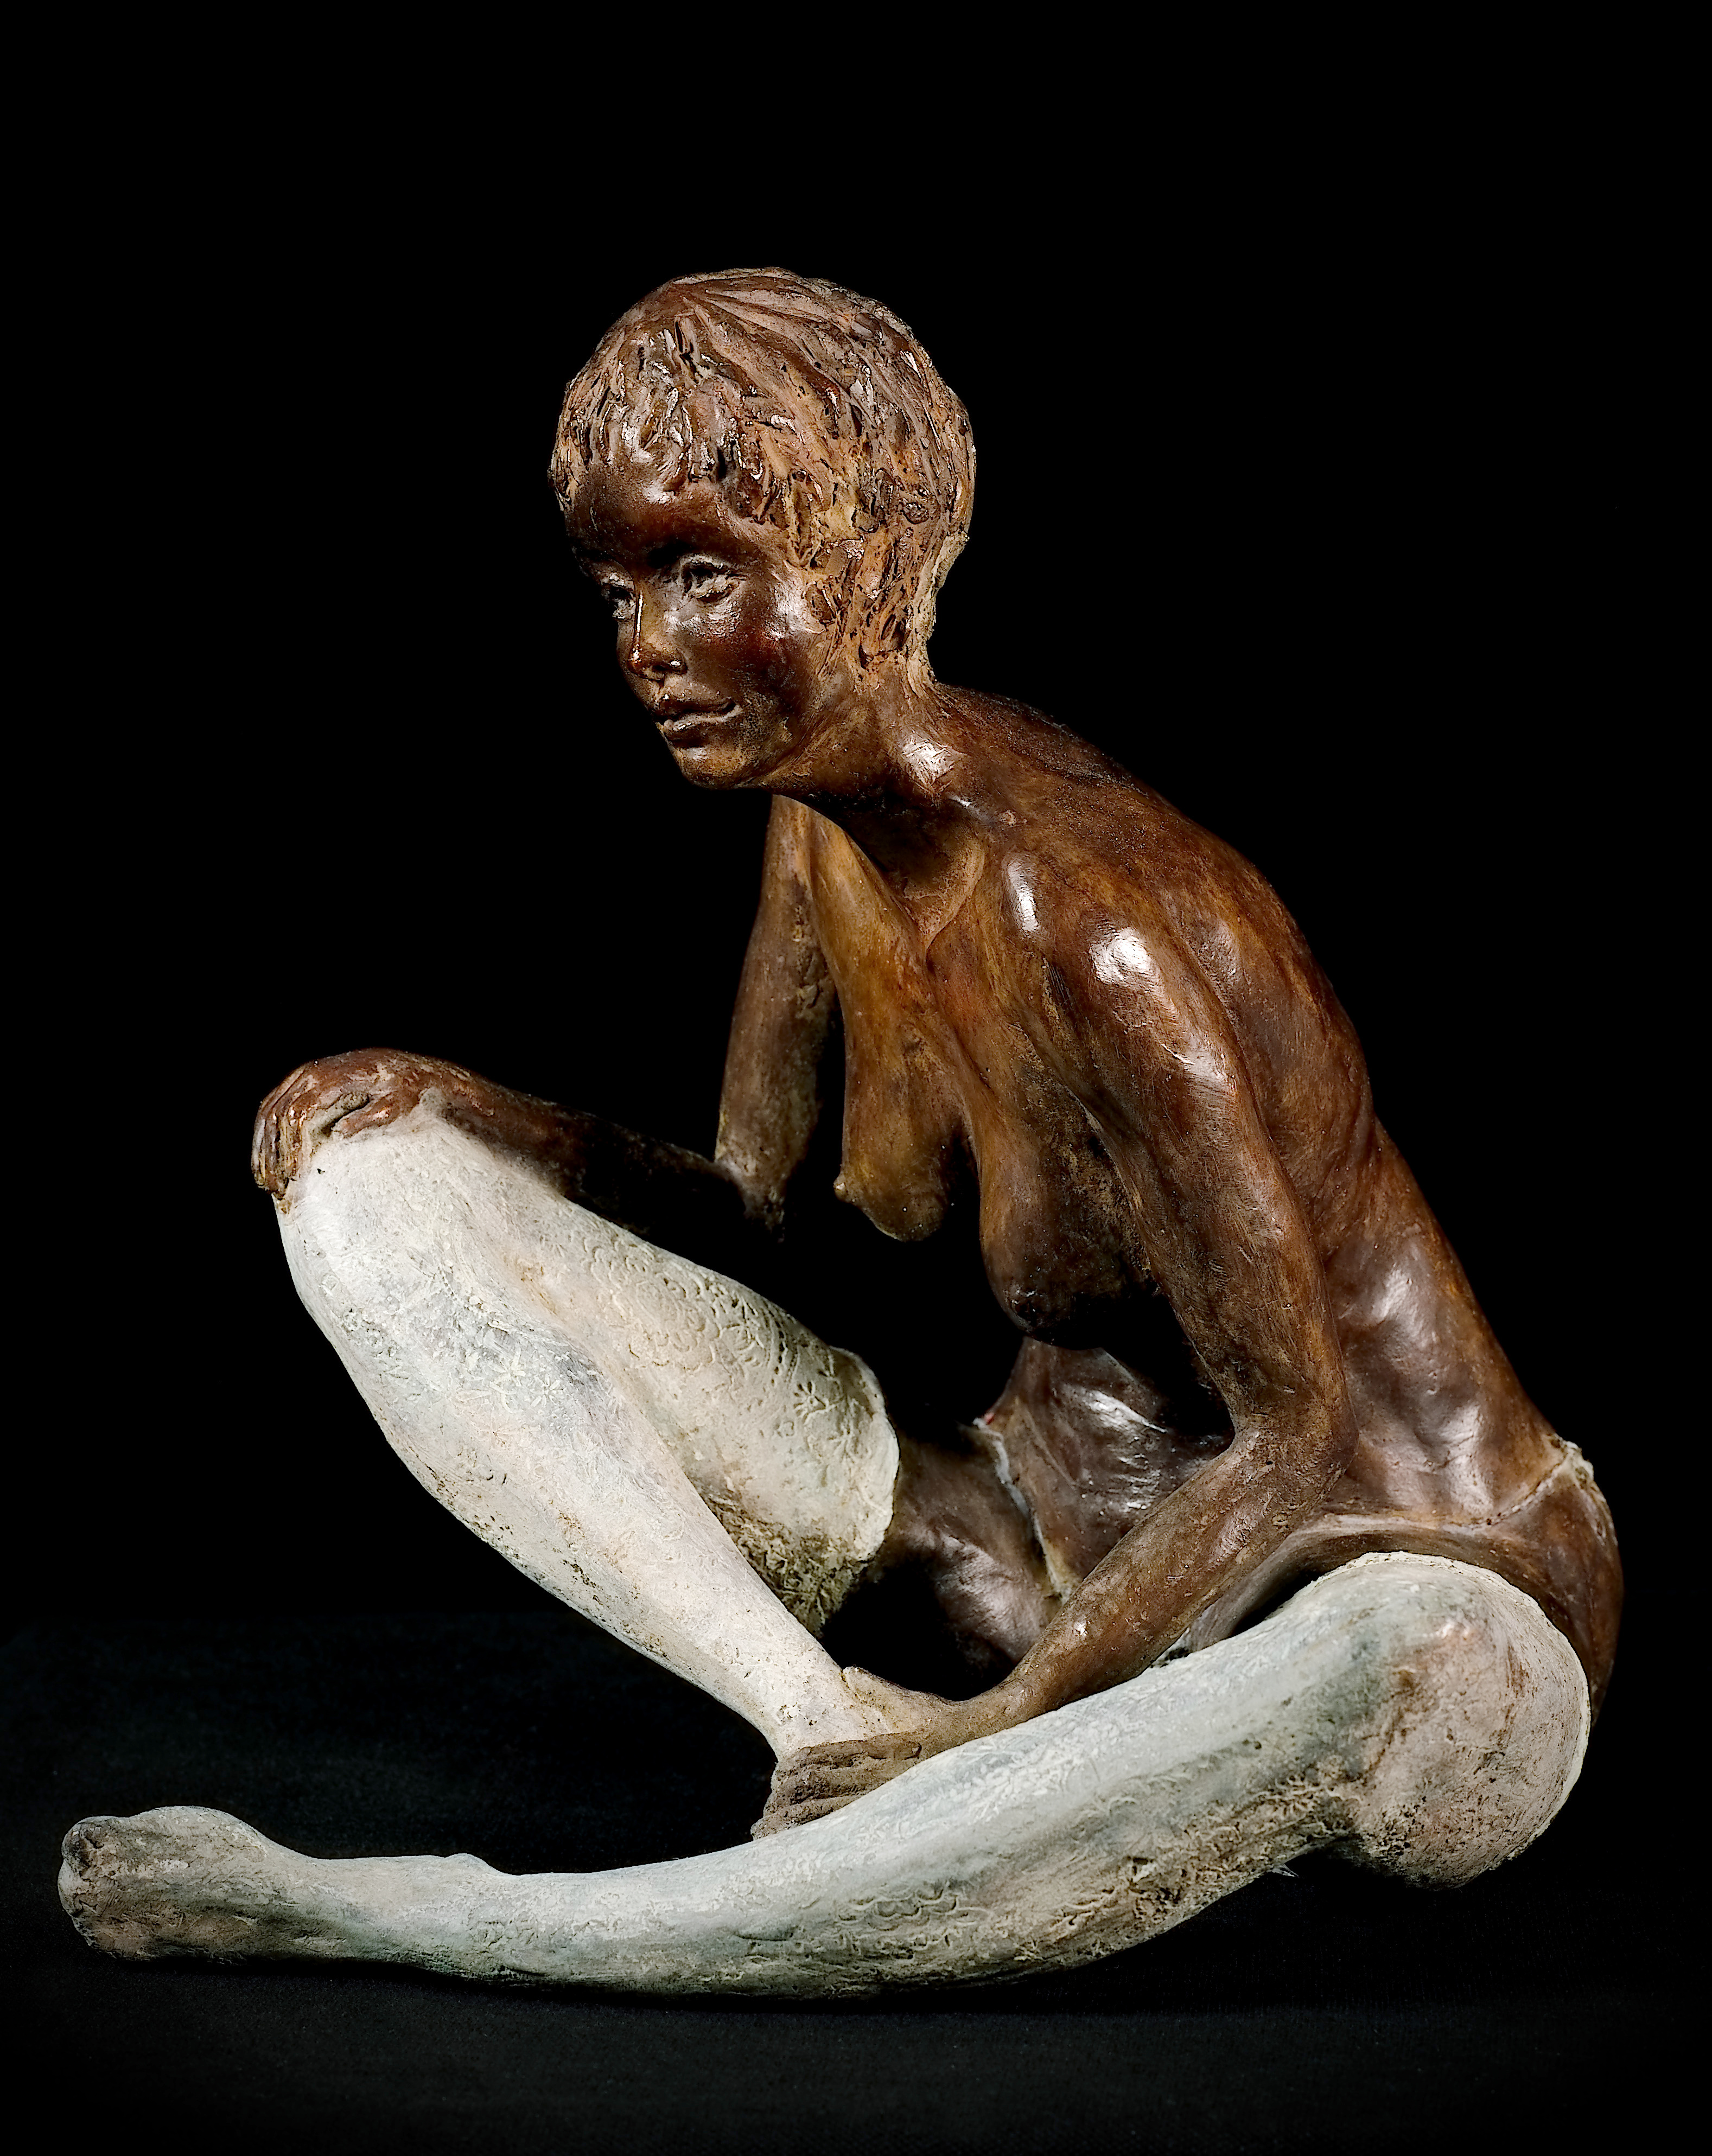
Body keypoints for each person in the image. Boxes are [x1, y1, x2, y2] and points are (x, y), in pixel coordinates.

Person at [60, 271, 1618, 1987]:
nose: (647, 647)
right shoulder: (825, 835)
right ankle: (822, 1730)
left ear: (874, 563)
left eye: (703, 575)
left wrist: (994, 1729)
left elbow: (1290, 1436)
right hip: (1031, 1563)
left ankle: (422, 1920)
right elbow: (753, 1212)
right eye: (619, 591)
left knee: (1401, 1649)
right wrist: (476, 1116)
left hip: (1384, 1600)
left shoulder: (1097, 924)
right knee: (375, 1191)